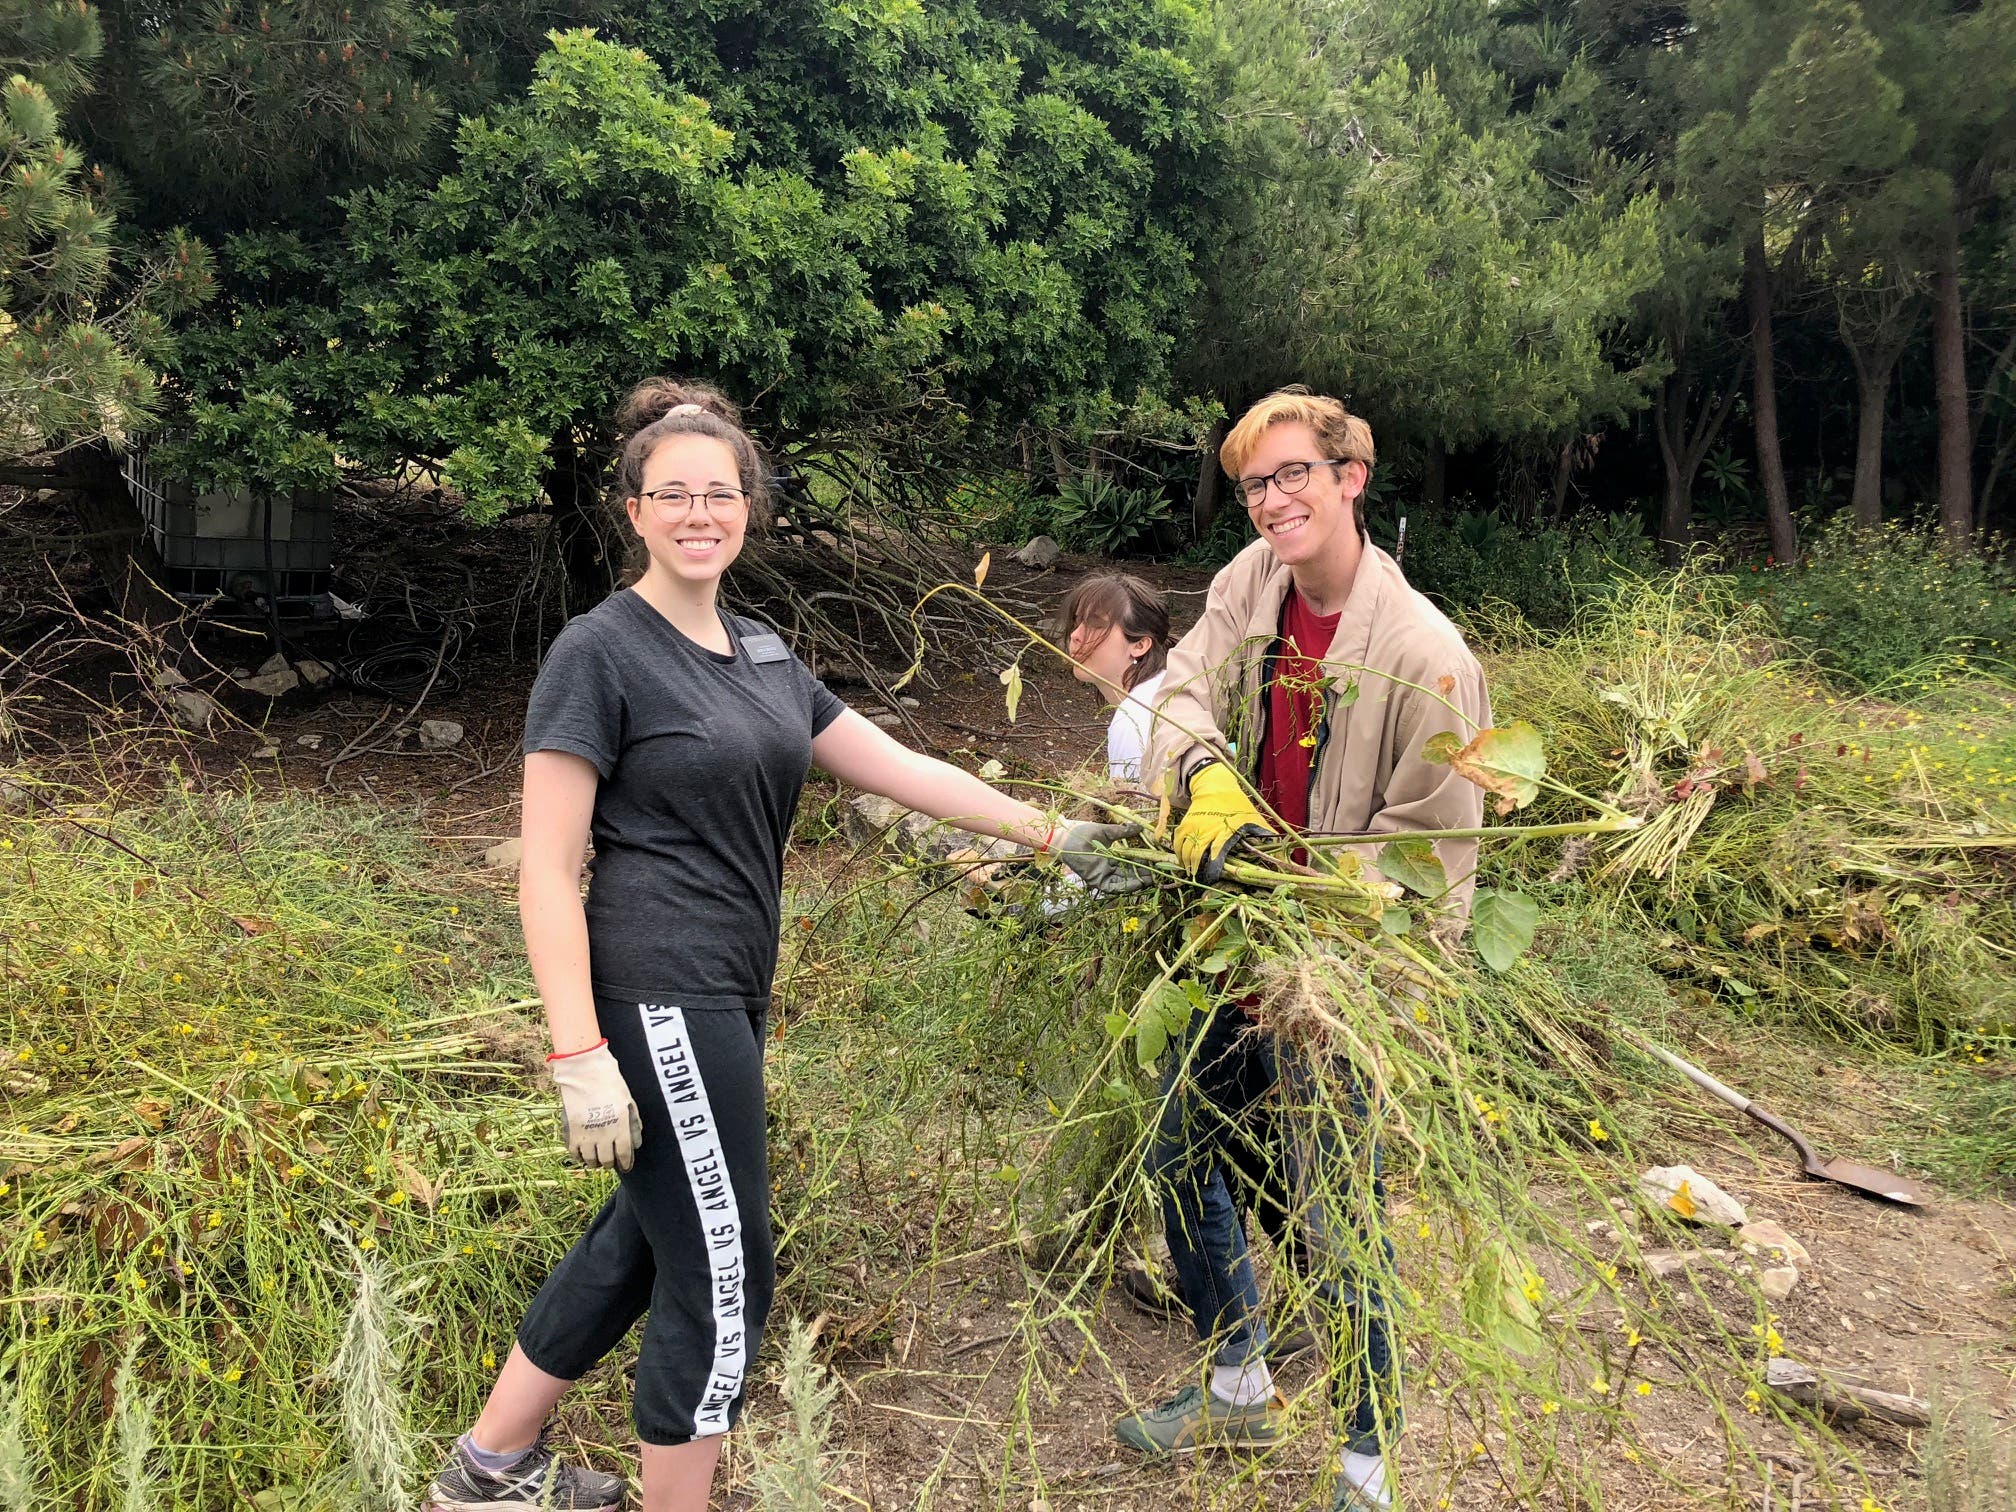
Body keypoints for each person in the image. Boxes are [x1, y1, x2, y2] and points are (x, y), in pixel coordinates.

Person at [422, 379, 1137, 1512]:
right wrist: (575, 1055)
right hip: (657, 992)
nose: (700, 512)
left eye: (722, 491)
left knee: (650, 1236)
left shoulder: (759, 651)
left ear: (748, 505)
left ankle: (486, 1469)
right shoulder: (598, 653)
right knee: (724, 1269)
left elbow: (900, 766)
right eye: (674, 494)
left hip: (729, 992)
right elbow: (549, 867)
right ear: (634, 509)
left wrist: (1056, 834)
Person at [1121, 387, 1492, 1512]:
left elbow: (1431, 864)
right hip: (1230, 944)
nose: (1273, 502)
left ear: (1349, 479)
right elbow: (1179, 688)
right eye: (1253, 485)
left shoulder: (1428, 659)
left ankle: (1367, 1467)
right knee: (1182, 1159)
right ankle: (1237, 1383)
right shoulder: (1253, 584)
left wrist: (1307, 906)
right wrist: (1203, 786)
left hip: (1340, 978)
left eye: (1293, 476)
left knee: (1338, 1224)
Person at [1058, 572, 1171, 785]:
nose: (1075, 635)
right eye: (1077, 621)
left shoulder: (1133, 720)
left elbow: (1134, 814)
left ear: (1139, 645)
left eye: (1097, 624)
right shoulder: (1165, 687)